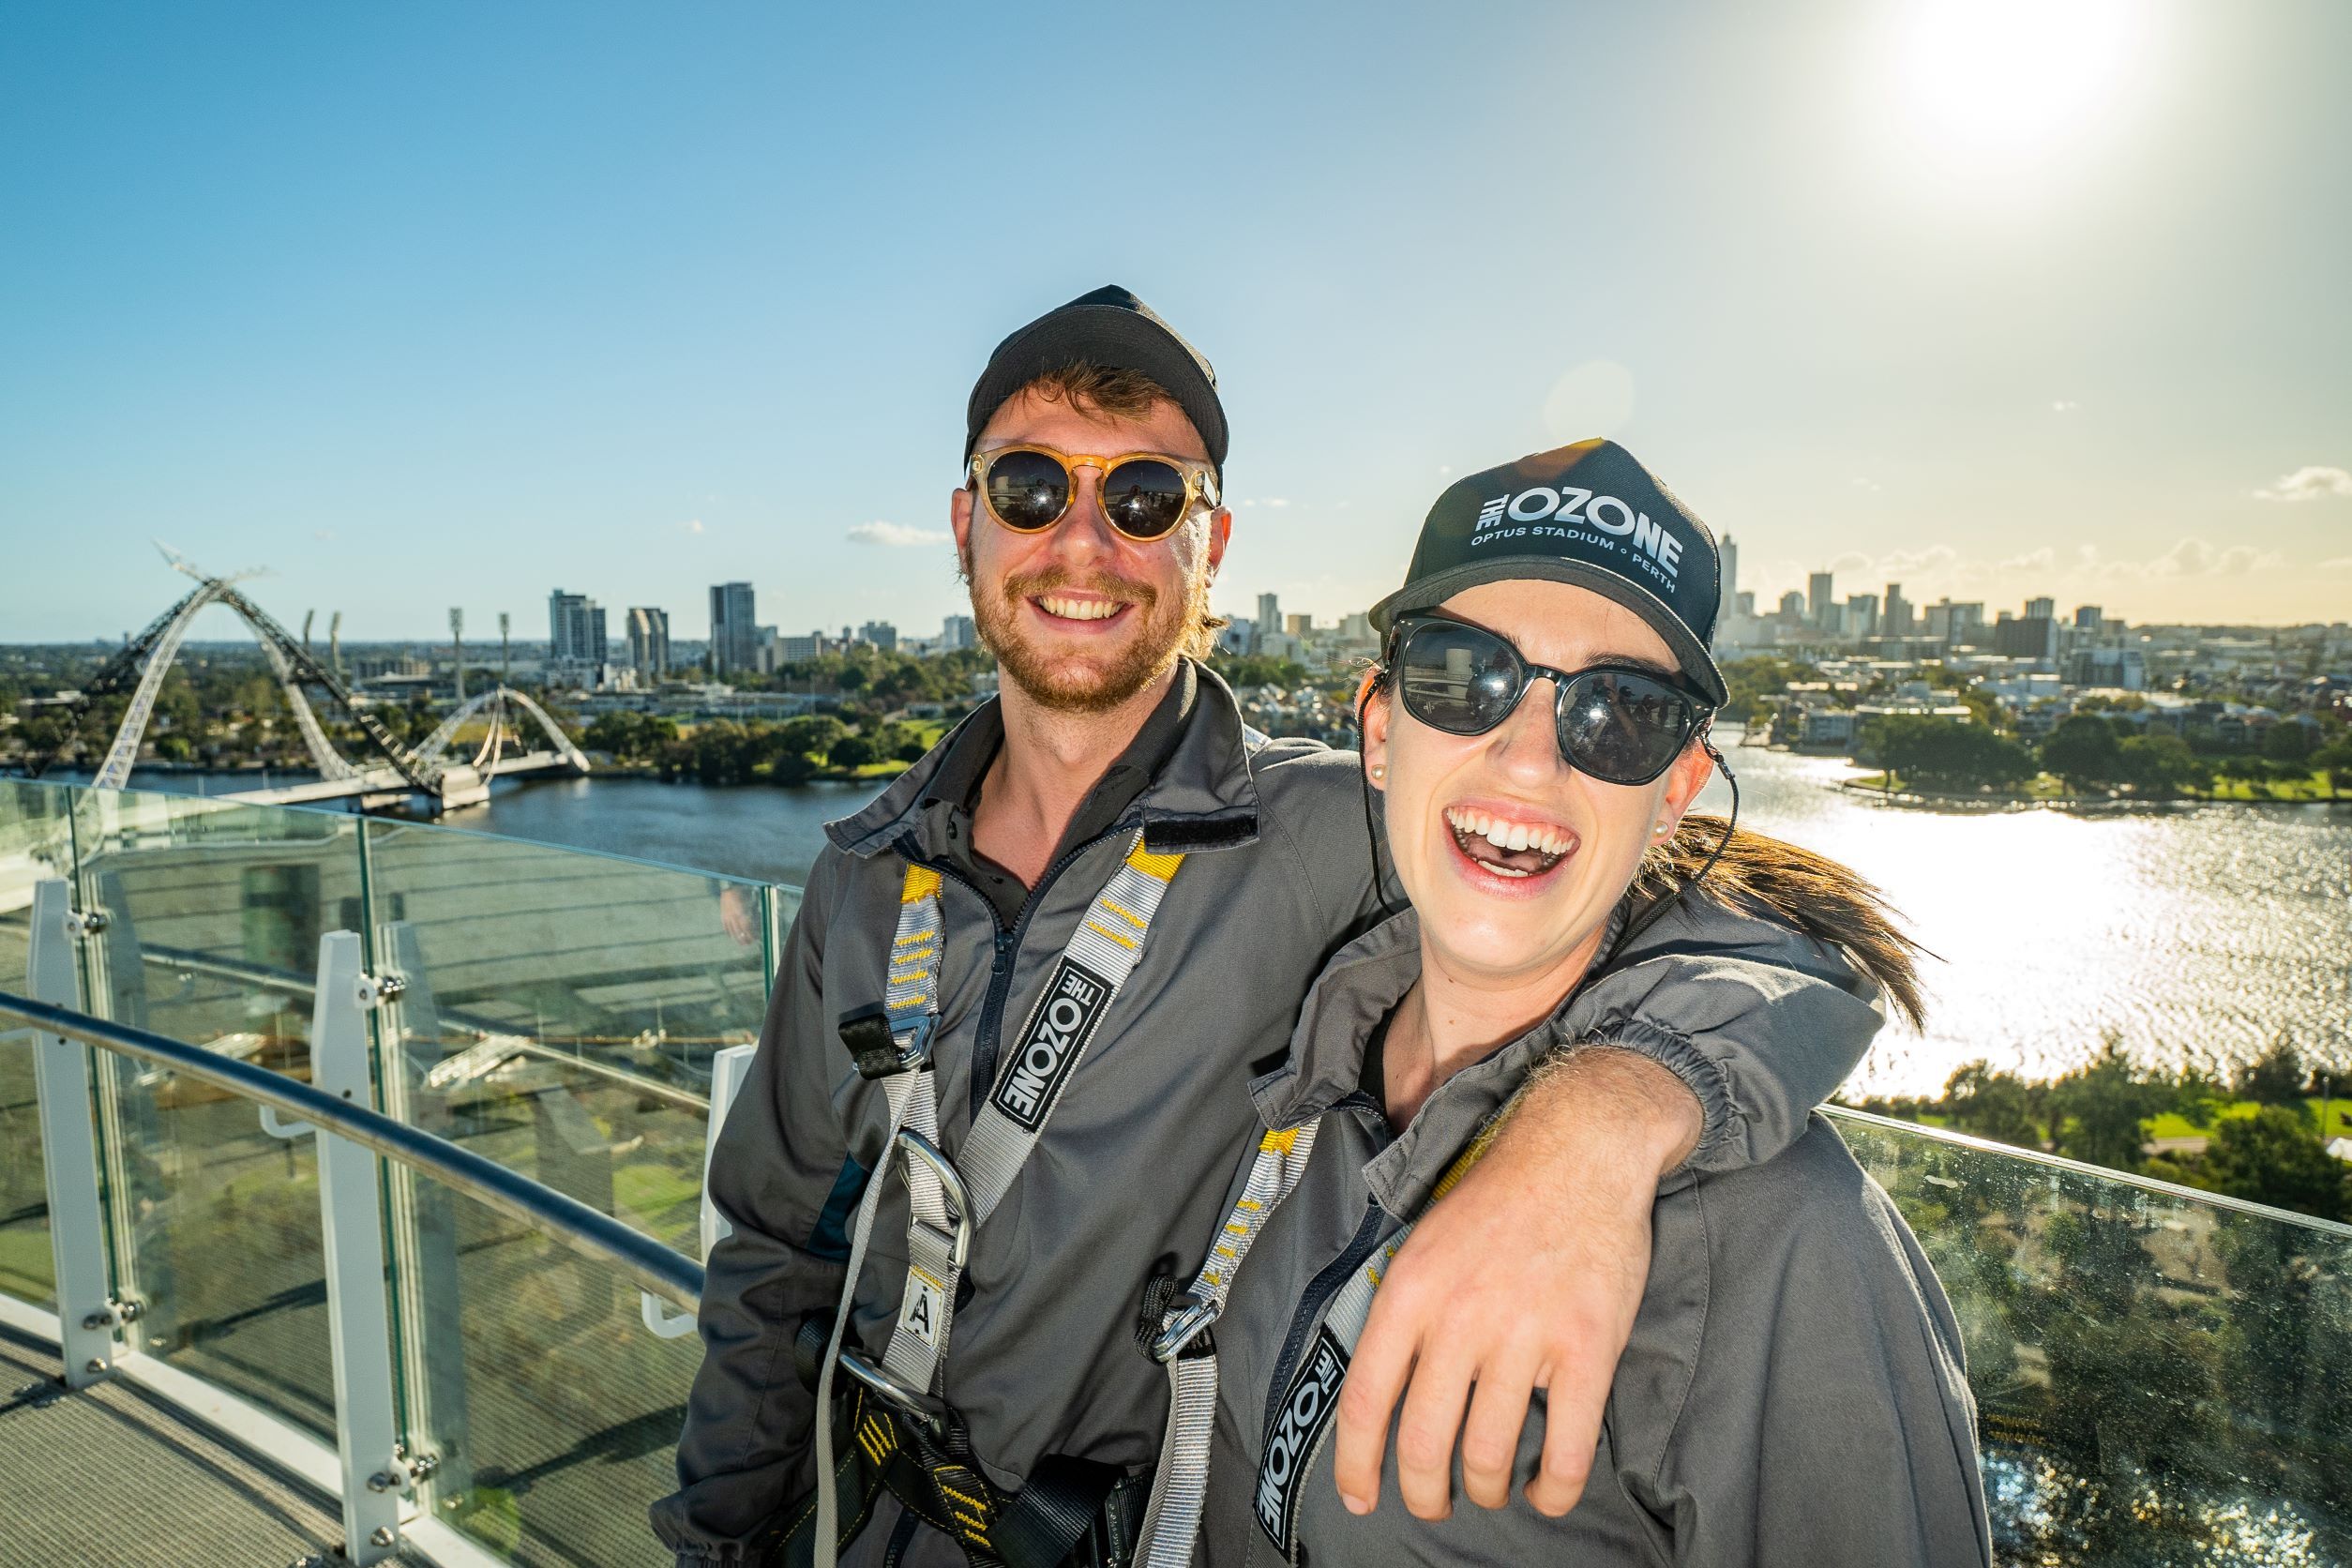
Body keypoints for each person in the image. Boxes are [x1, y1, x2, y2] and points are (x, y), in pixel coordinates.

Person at [652, 291, 1880, 1567]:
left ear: (1211, 542)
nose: (1084, 542)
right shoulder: (864, 875)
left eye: (1144, 498)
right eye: (1029, 488)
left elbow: (1760, 933)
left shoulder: (1339, 828)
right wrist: (715, 1542)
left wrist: (1607, 1117)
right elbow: (773, 1257)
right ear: (967, 524)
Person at [1172, 441, 1993, 1566]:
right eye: (1464, 675)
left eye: (1621, 714)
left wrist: (1603, 1119)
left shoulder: (1782, 1239)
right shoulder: (1308, 1073)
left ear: (1676, 793)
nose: (1528, 760)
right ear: (1376, 729)